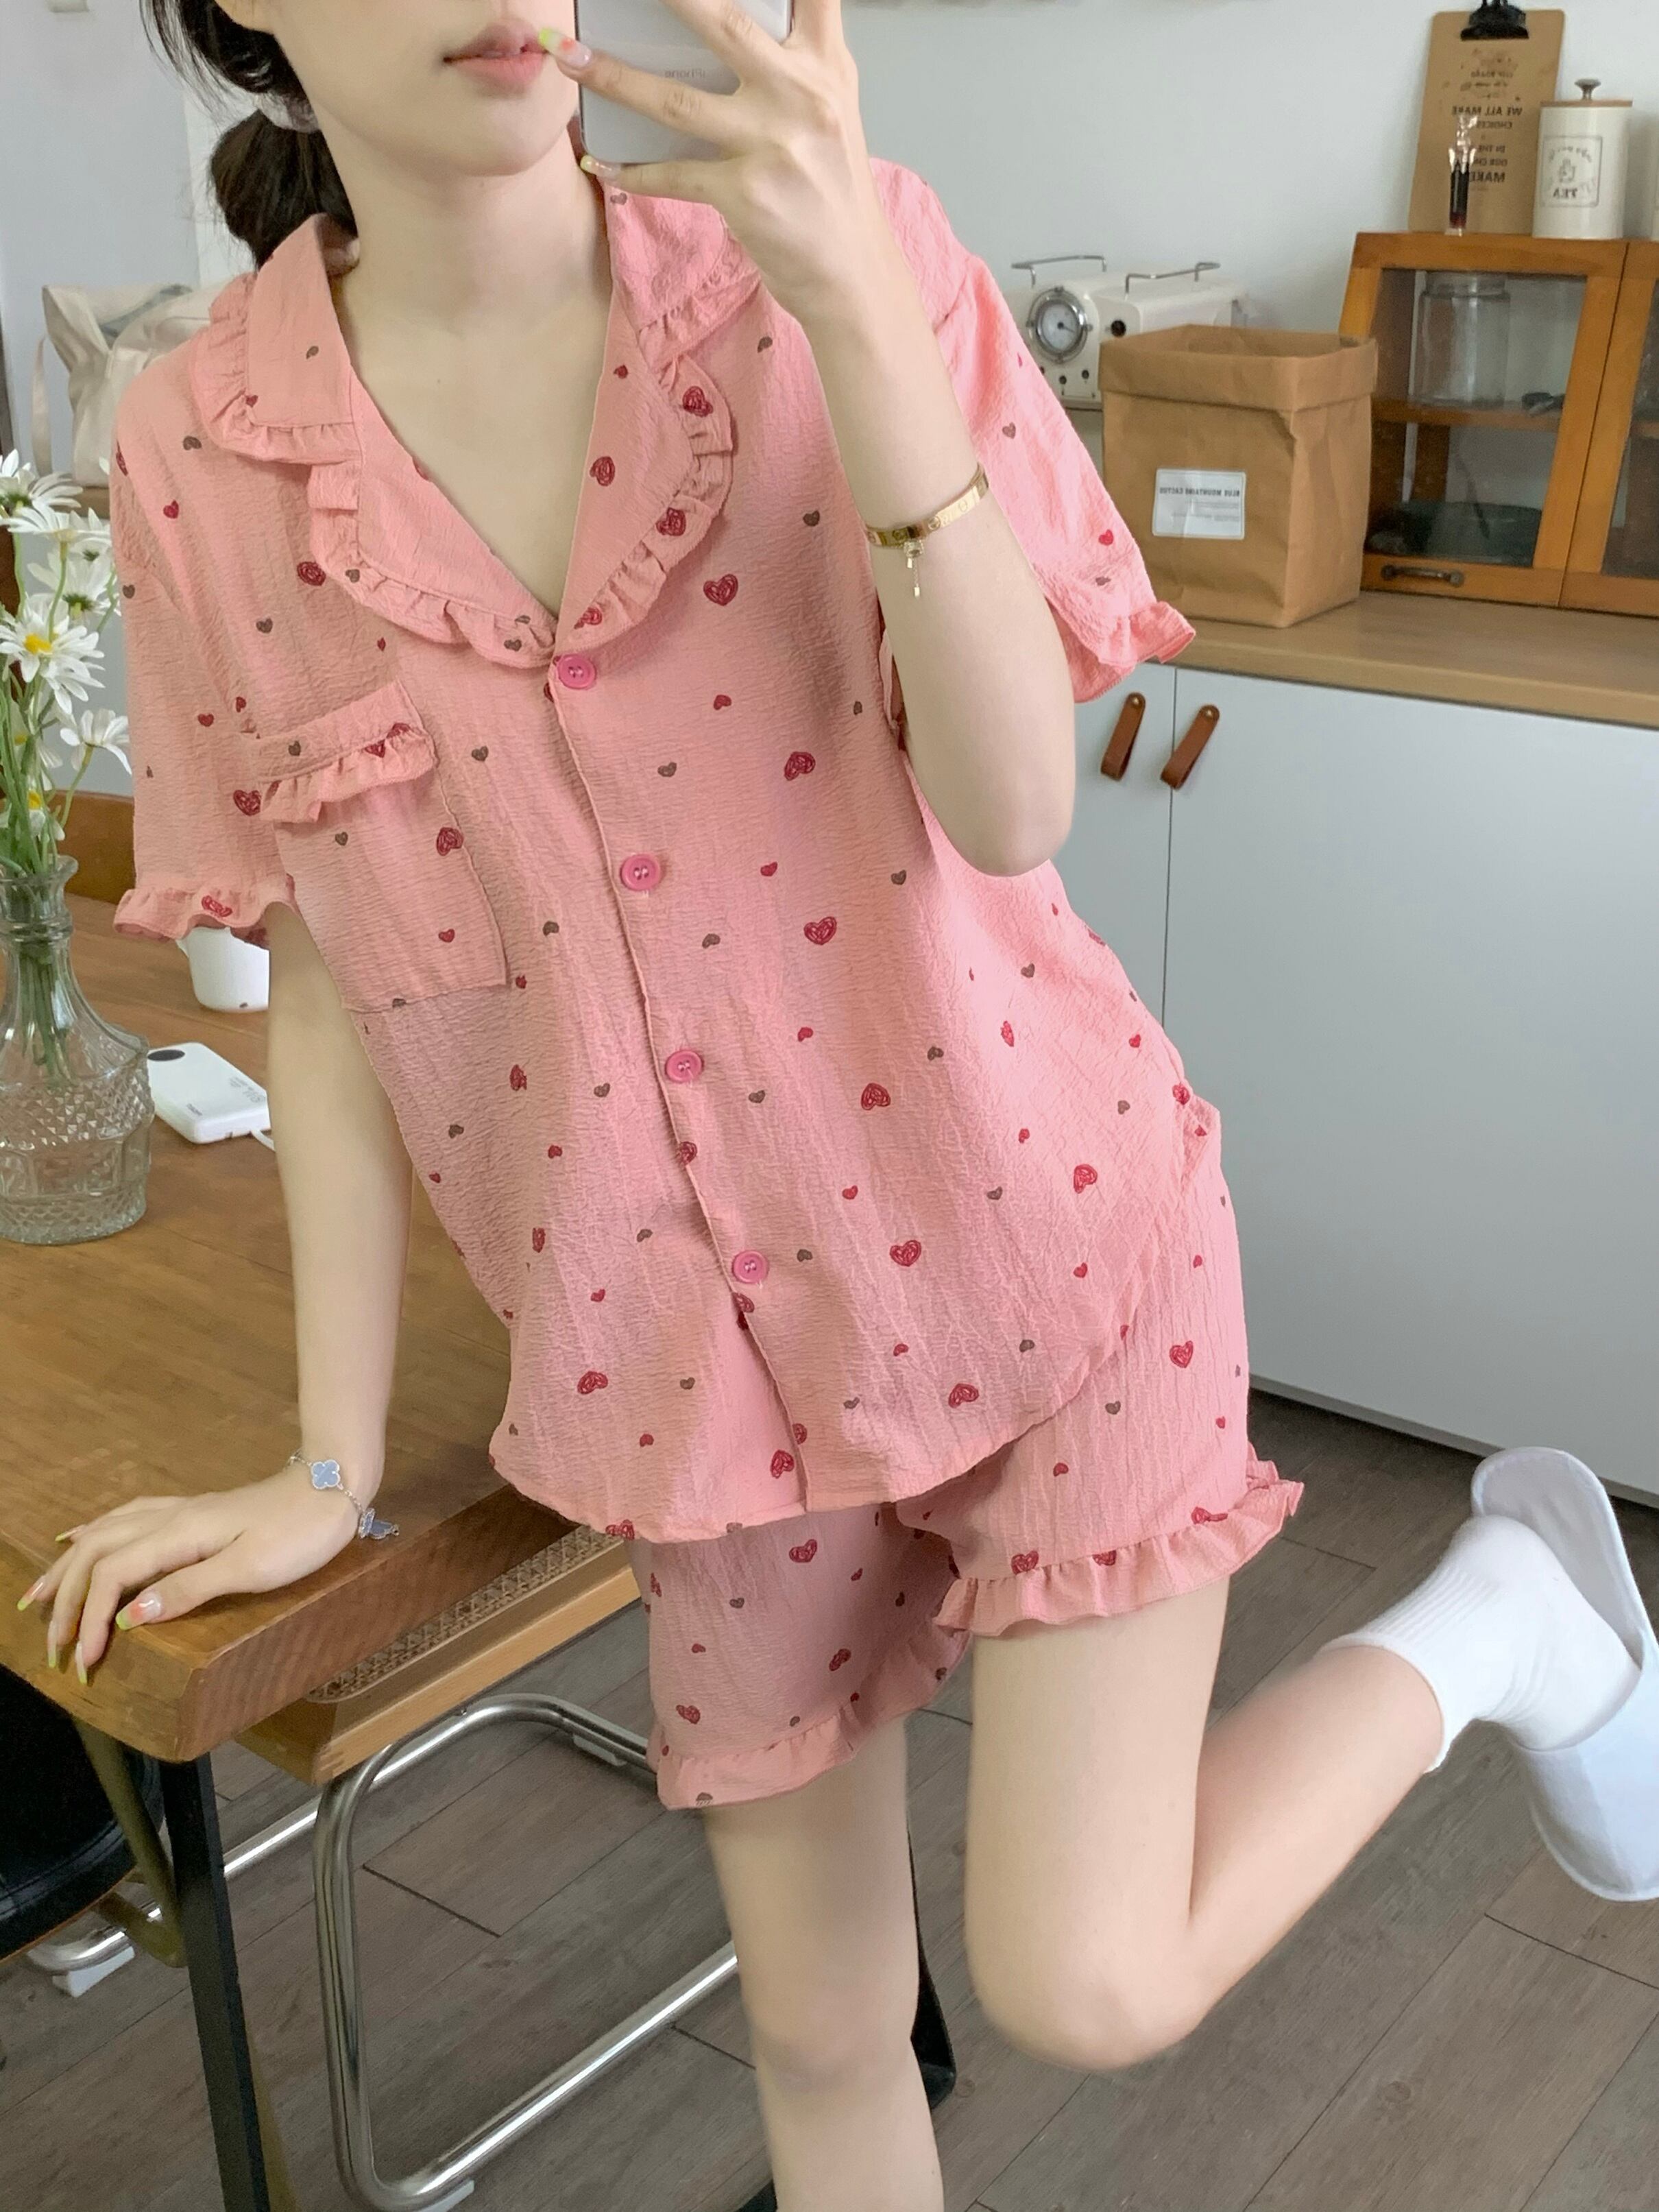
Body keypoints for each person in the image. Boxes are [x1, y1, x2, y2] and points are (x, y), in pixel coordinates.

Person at [21, 6, 1657, 2208]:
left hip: (1039, 1233)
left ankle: (1513, 1616)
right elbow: (321, 979)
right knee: (813, 2027)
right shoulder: (202, 449)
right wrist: (327, 1465)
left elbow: (1014, 802)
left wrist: (856, 311)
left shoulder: (835, 257)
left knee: (1085, 1980)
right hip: (685, 1368)